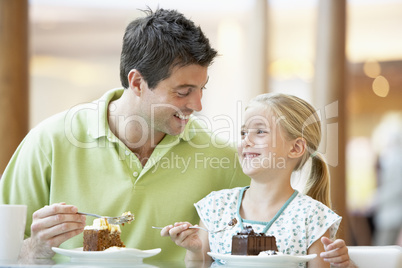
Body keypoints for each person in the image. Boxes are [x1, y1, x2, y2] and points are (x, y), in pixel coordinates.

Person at [0, 8, 250, 261]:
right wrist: (35, 248)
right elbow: (4, 253)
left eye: (201, 89)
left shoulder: (222, 159)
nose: (197, 106)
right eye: (183, 92)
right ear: (138, 83)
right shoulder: (49, 142)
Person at [161, 93, 355, 267]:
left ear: (295, 148)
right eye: (244, 133)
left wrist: (343, 266)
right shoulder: (216, 206)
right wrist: (195, 251)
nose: (246, 141)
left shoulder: (313, 217)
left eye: (260, 132)